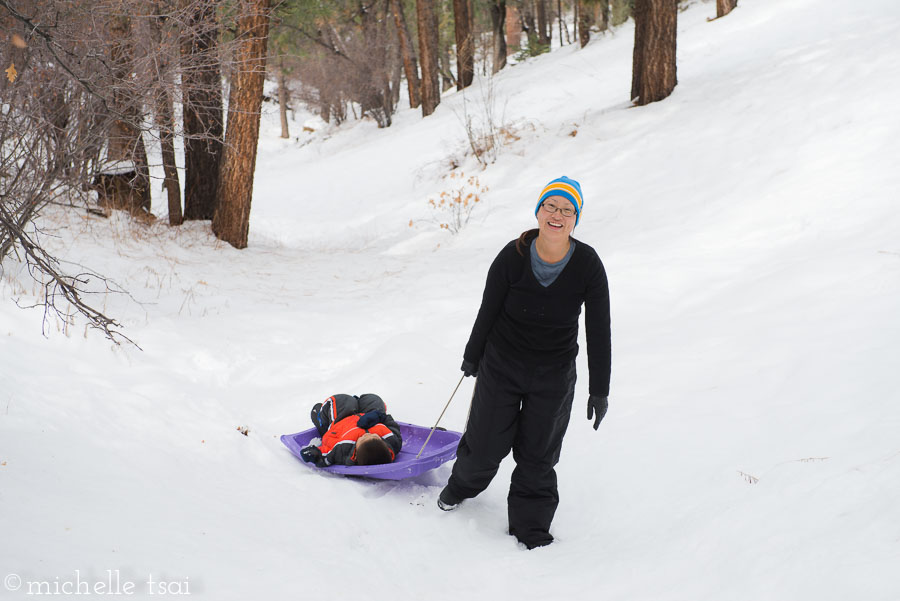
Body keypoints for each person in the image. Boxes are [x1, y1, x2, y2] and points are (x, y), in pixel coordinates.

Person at [438, 176, 611, 550]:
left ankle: (531, 528)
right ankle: (460, 487)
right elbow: (489, 308)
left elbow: (599, 329)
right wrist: (473, 354)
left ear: (575, 220)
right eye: (551, 206)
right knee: (483, 446)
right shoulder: (513, 255)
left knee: (538, 455)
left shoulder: (588, 265)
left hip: (554, 374)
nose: (557, 215)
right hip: (502, 364)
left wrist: (600, 390)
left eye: (567, 210)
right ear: (538, 211)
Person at [300, 394, 402, 467]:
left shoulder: (343, 450)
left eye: (362, 439)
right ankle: (358, 403)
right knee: (373, 399)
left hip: (341, 421)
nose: (368, 435)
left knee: (344, 400)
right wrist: (379, 416)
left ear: (356, 453)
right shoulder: (393, 442)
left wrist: (315, 454)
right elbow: (392, 425)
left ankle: (321, 415)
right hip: (369, 416)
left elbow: (326, 456)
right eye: (375, 436)